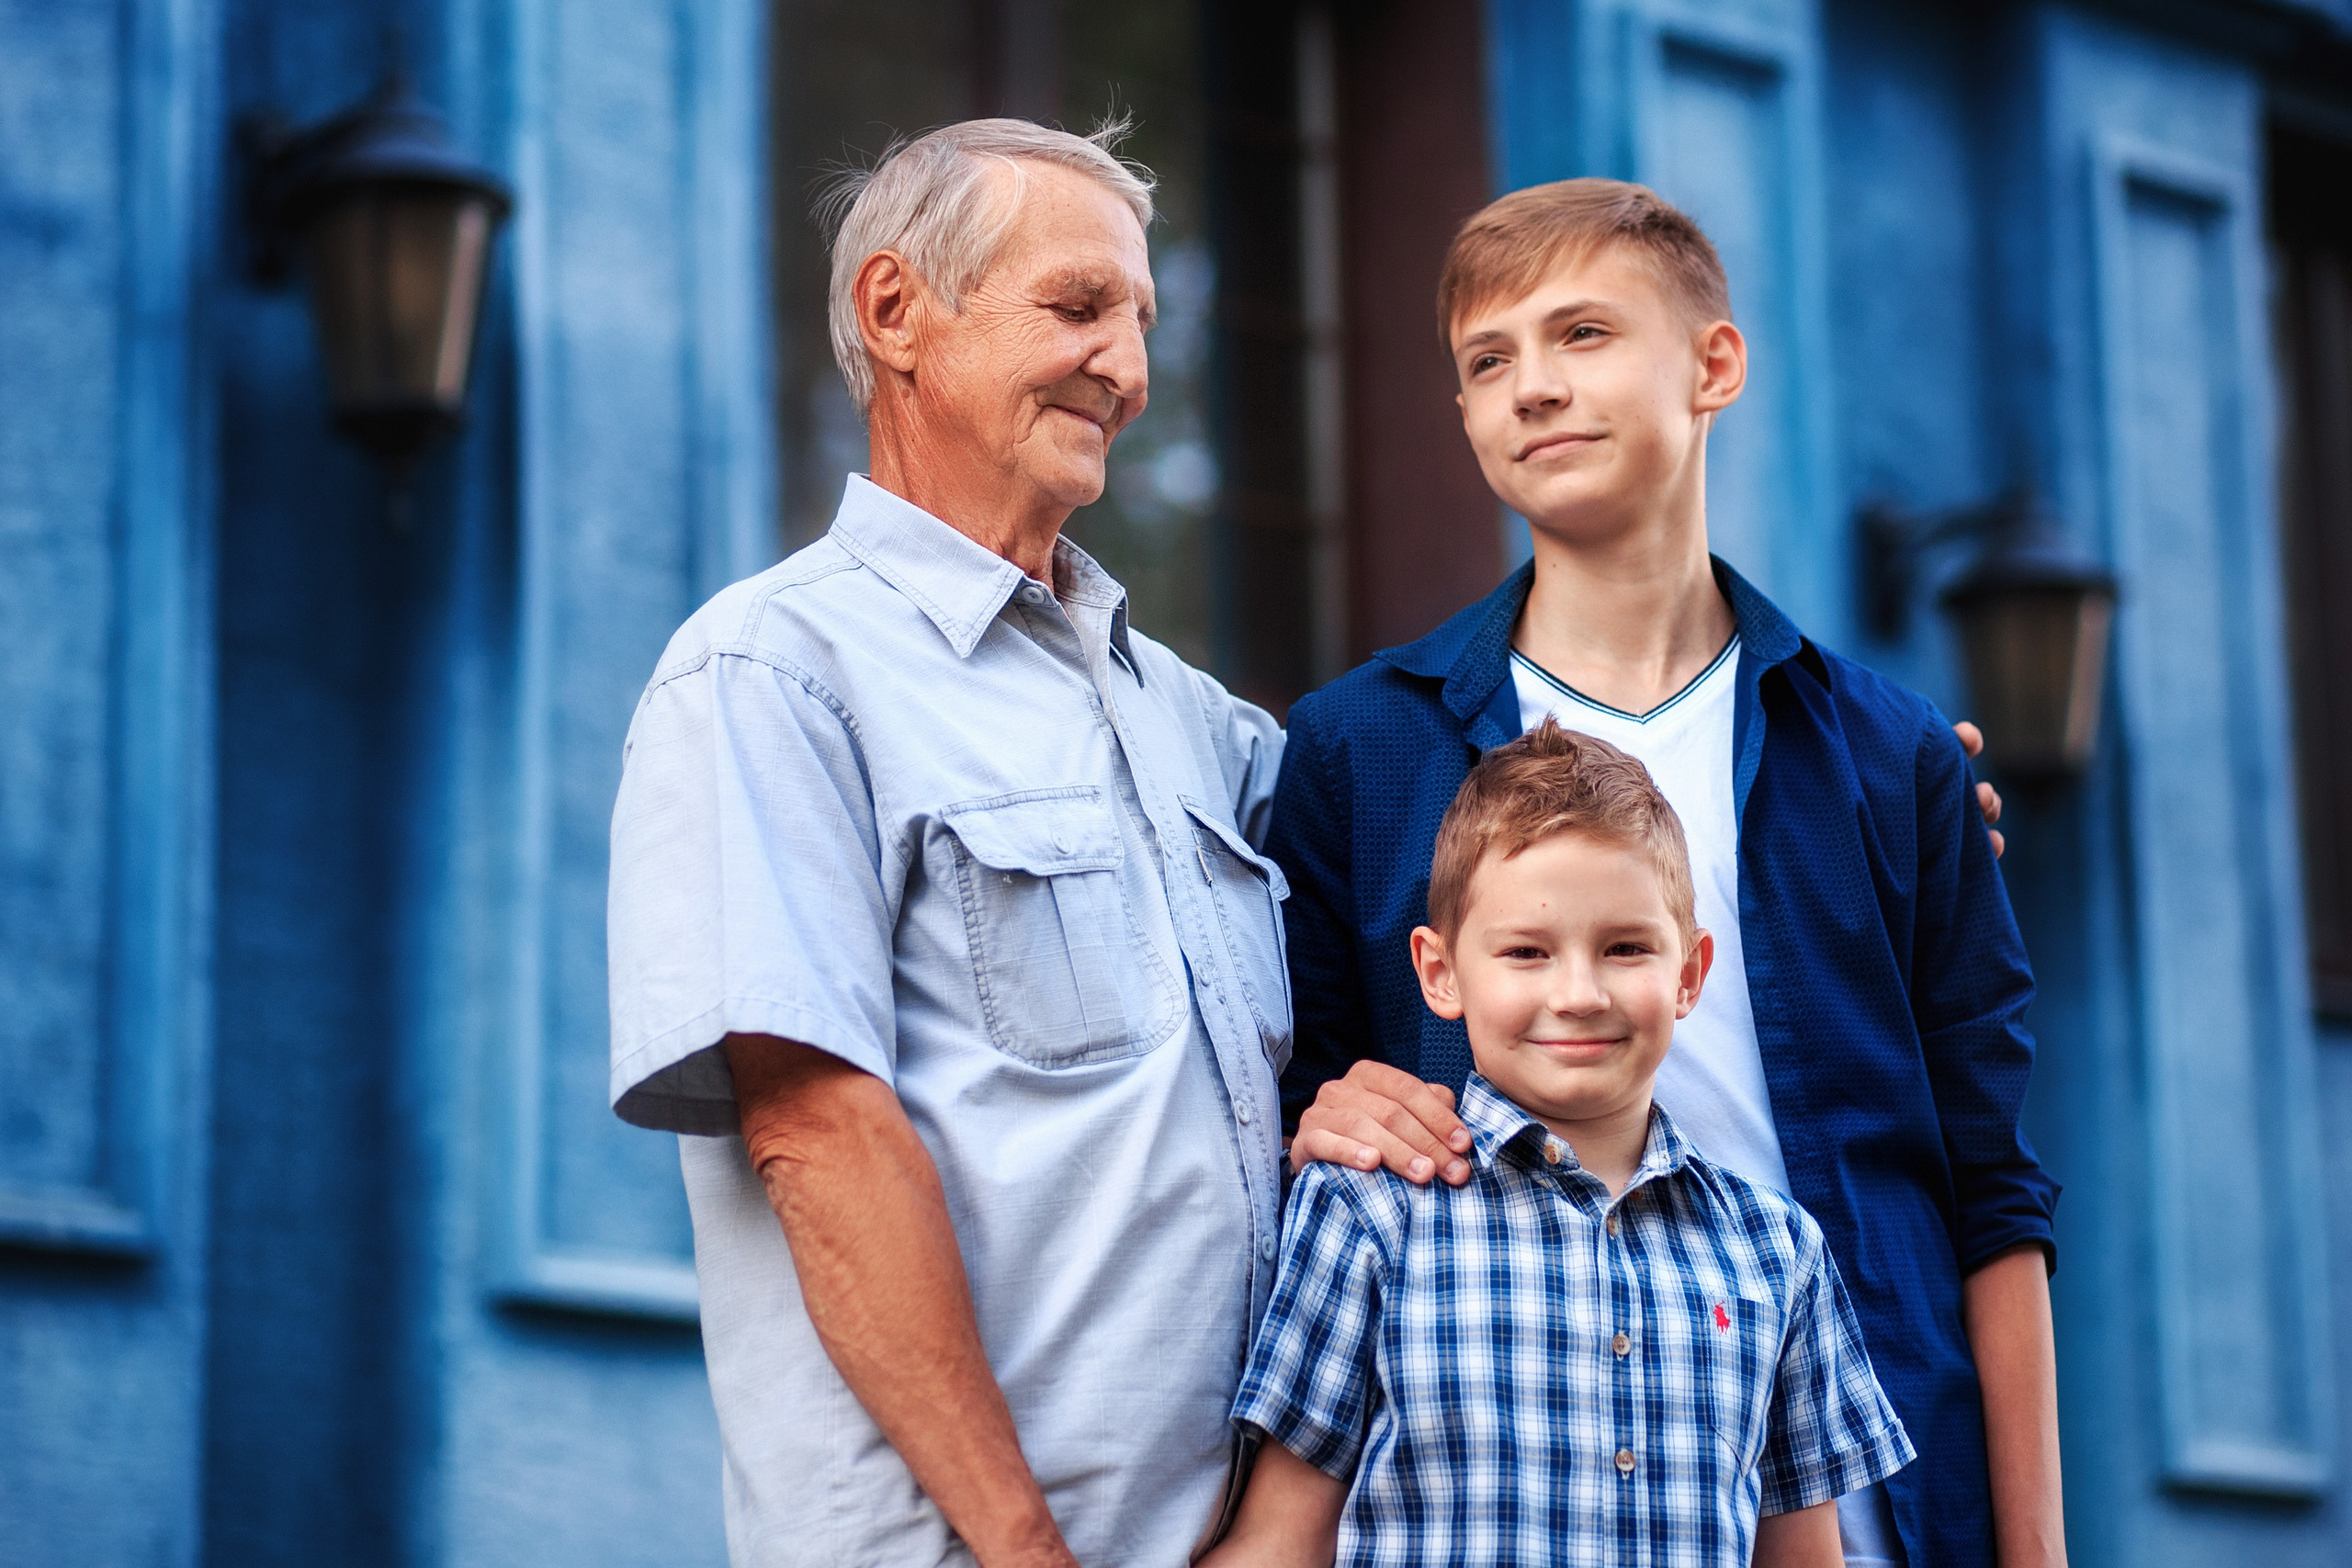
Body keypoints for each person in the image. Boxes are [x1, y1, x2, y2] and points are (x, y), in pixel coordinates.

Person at [1266, 180, 2062, 1568]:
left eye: (1581, 332)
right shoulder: (1356, 748)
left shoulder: (1891, 757)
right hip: (1509, 1501)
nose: (1533, 388)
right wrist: (1327, 1105)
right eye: (1487, 360)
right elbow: (1296, 1106)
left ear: (1714, 364)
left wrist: (2035, 1549)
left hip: (1862, 1509)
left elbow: (1991, 1188)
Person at [605, 119, 1294, 1568]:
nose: (1132, 367)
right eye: (1079, 305)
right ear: (896, 311)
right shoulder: (771, 670)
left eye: (1144, 321)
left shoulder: (1195, 722)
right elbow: (817, 1132)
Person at [1205, 722, 1913, 1568]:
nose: (1577, 993)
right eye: (1526, 953)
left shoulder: (1778, 1253)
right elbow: (1280, 1544)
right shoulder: (1365, 1212)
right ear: (1441, 972)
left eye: (1624, 948)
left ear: (1689, 972)